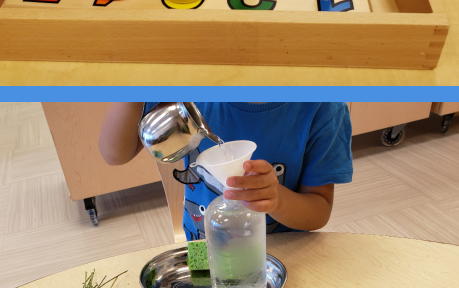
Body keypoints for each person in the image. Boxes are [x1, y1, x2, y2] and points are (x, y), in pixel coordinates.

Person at [99, 102, 352, 238]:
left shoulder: (323, 106)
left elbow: (319, 211)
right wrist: (132, 95)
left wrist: (277, 200)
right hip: (205, 246)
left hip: (283, 252)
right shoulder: (188, 83)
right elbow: (113, 154)